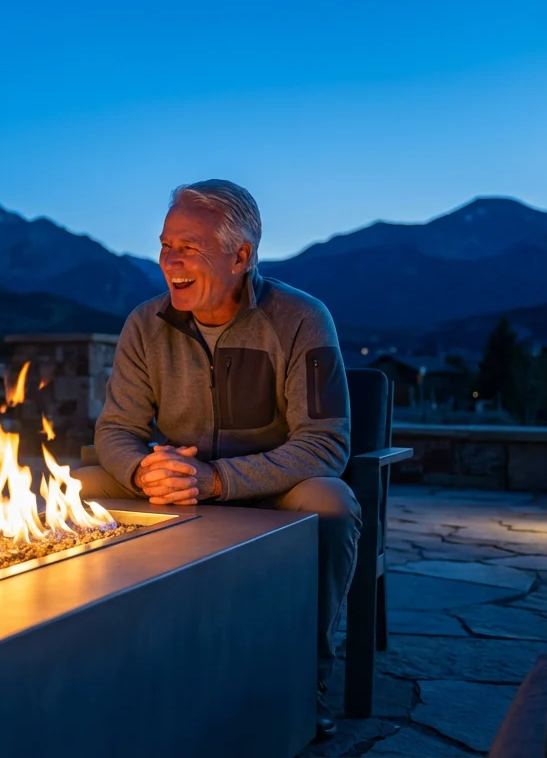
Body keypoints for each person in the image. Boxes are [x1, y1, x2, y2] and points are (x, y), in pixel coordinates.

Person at [72, 179, 359, 741]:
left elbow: (325, 444)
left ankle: (307, 680)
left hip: (268, 483)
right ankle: (98, 657)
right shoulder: (144, 324)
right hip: (177, 479)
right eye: (164, 245)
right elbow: (117, 430)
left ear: (241, 255)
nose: (170, 260)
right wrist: (140, 470)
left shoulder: (302, 319)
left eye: (188, 247)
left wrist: (220, 480)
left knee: (331, 503)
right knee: (78, 485)